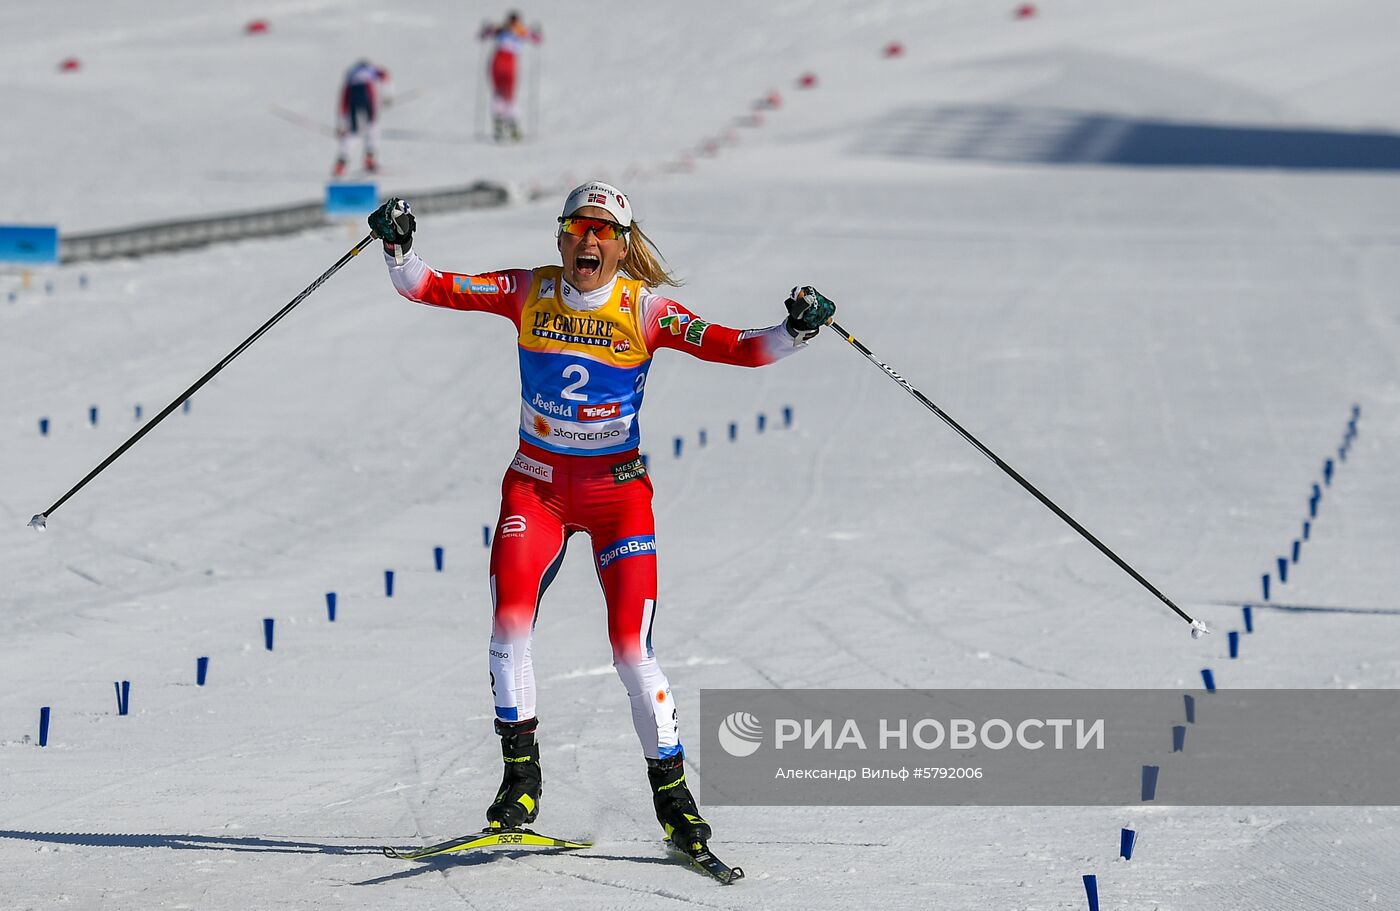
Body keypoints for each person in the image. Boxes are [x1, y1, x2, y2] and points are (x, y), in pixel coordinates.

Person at [365, 182, 836, 856]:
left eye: (603, 232)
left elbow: (736, 346)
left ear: (622, 244)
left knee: (630, 649)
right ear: (561, 237)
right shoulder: (528, 290)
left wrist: (795, 331)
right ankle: (520, 781)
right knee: (508, 627)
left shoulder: (646, 309)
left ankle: (674, 800)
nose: (589, 241)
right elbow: (426, 286)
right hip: (537, 489)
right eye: (578, 228)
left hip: (616, 496)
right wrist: (397, 245)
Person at [478, 11, 541, 142]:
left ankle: (503, 124)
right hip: (505, 63)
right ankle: (508, 125)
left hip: (500, 62)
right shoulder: (512, 30)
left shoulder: (507, 29)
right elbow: (536, 38)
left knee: (502, 94)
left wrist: (488, 29)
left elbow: (485, 34)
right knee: (505, 95)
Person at [334, 59, 392, 177]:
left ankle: (340, 165)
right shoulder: (371, 70)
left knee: (353, 133)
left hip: (353, 100)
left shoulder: (350, 75)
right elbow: (385, 76)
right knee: (373, 127)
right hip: (367, 97)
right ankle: (369, 160)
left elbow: (344, 102)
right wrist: (387, 95)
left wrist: (341, 124)